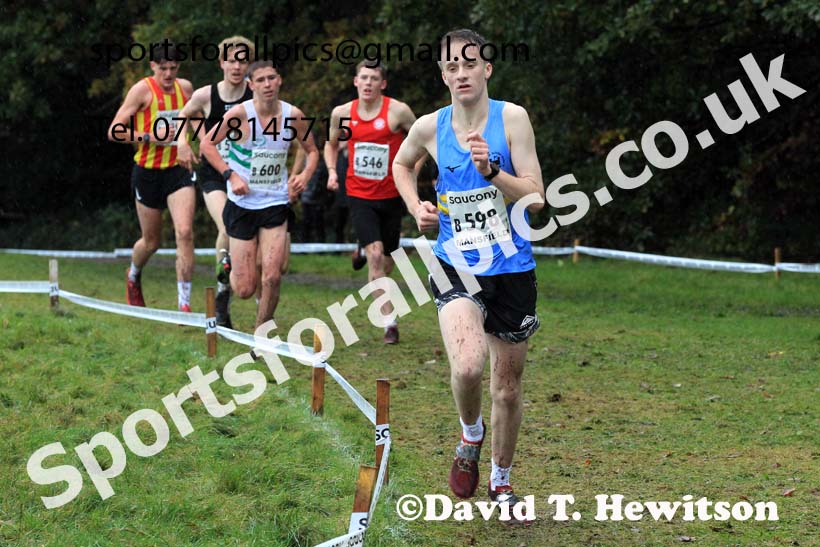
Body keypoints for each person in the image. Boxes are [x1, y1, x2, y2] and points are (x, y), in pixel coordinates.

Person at [392, 29, 545, 523]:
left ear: (487, 69)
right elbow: (401, 164)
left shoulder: (513, 119)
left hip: (512, 268)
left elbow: (536, 198)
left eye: (470, 63)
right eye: (452, 66)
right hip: (455, 264)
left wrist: (493, 171)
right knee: (467, 366)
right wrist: (415, 205)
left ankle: (501, 482)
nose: (461, 73)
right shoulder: (429, 127)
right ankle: (470, 434)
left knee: (507, 388)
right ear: (443, 76)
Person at [200, 61, 318, 328]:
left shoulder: (293, 115)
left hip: (275, 202)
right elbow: (207, 144)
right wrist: (230, 175)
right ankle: (227, 263)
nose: (267, 84)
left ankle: (262, 333)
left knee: (273, 276)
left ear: (279, 80)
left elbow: (312, 150)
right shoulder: (240, 114)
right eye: (261, 80)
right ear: (250, 85)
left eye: (271, 78)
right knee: (244, 289)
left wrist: (304, 177)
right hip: (242, 204)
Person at [324, 61, 420, 344]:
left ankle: (363, 249)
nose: (368, 83)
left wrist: (413, 171)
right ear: (355, 81)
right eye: (363, 78)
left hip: (391, 195)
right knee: (377, 256)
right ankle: (389, 322)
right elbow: (331, 143)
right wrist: (332, 171)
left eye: (374, 78)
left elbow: (424, 139)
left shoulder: (398, 111)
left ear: (383, 84)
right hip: (359, 195)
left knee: (387, 262)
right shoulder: (342, 113)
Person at [107, 41, 195, 312]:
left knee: (185, 232)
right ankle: (133, 274)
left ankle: (184, 304)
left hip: (178, 170)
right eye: (163, 68)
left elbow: (194, 120)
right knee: (152, 241)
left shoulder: (186, 88)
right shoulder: (141, 90)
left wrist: (197, 143)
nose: (168, 74)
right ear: (153, 66)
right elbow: (114, 130)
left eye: (173, 68)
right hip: (147, 172)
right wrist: (150, 136)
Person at [176, 35, 255, 328]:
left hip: (247, 174)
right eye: (232, 60)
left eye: (243, 61)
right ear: (222, 62)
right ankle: (223, 292)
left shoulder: (255, 93)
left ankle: (231, 287)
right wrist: (183, 143)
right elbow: (183, 115)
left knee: (246, 234)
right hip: (214, 173)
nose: (237, 66)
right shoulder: (206, 95)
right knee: (227, 225)